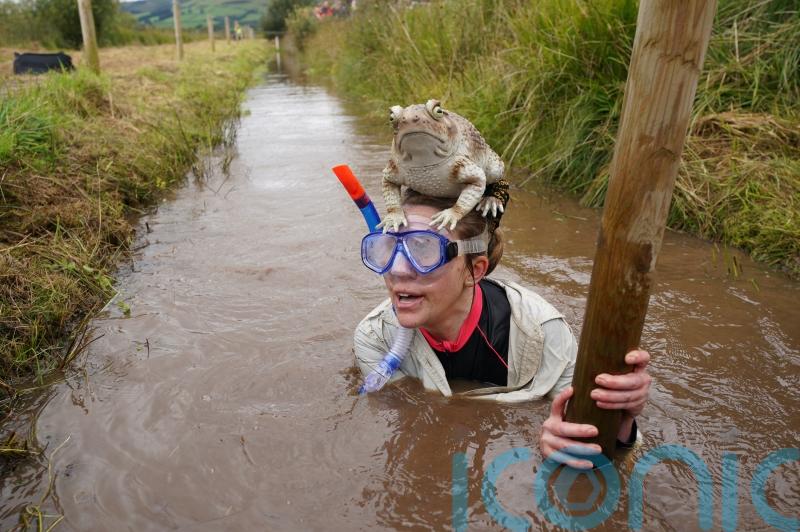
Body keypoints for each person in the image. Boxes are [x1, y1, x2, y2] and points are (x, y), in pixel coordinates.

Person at [353, 190, 652, 469]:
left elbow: (603, 452)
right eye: (390, 246)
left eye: (425, 249)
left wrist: (619, 422)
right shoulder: (375, 338)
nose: (398, 269)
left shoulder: (543, 333)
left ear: (476, 270)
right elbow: (408, 426)